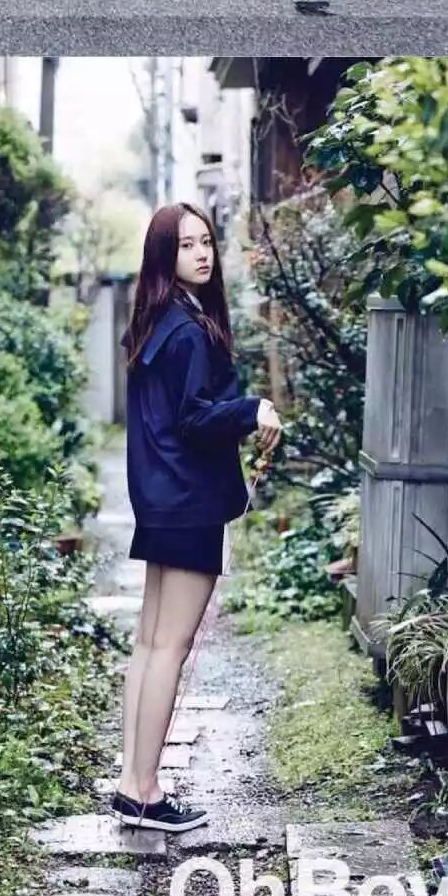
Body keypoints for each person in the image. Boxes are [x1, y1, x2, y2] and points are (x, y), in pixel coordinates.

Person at [116, 209, 280, 813]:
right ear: (166, 255)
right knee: (168, 648)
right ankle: (145, 791)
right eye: (187, 245)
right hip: (186, 502)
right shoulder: (186, 331)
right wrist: (252, 410)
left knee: (149, 644)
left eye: (206, 241)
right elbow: (192, 419)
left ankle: (131, 783)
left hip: (162, 500)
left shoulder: (157, 322)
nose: (202, 254)